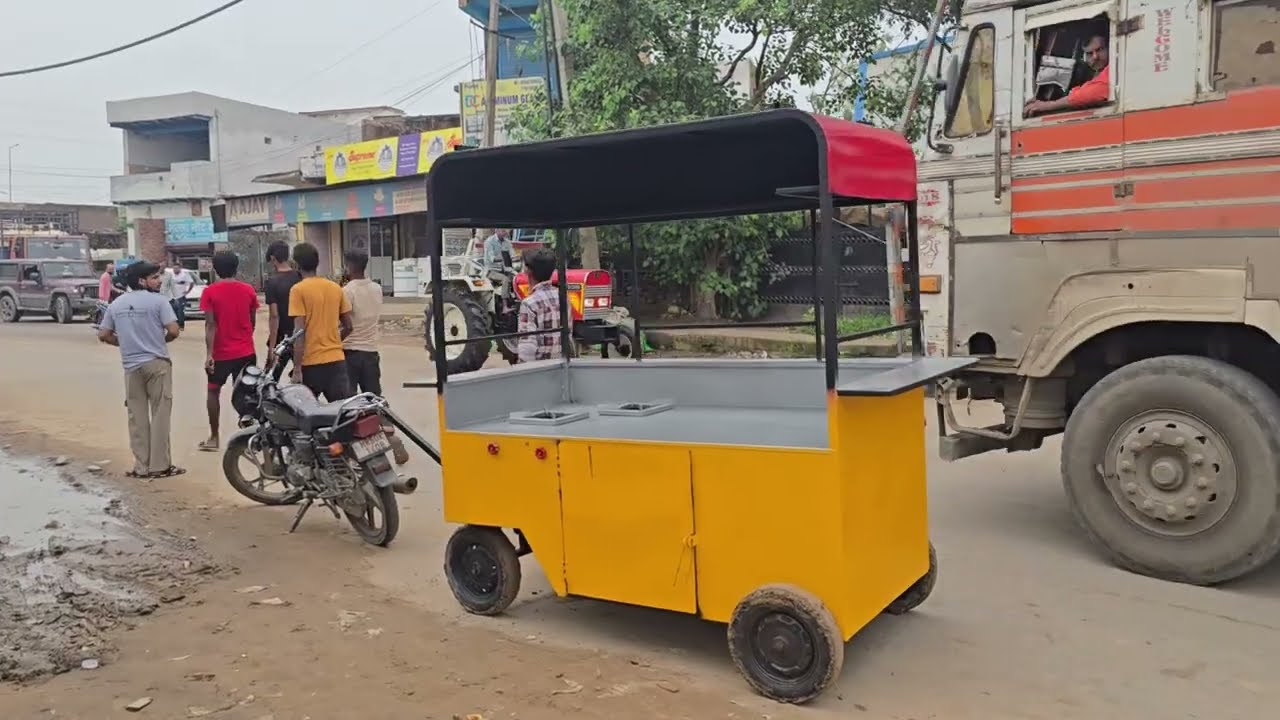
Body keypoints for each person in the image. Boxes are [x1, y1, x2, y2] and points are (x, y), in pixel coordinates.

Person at [97, 261, 184, 479]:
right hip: (157, 363)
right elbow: (173, 330)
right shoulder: (159, 302)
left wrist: (125, 343)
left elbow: (104, 334)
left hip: (131, 366)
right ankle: (160, 466)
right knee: (160, 414)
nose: (159, 280)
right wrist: (159, 341)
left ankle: (141, 466)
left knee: (136, 417)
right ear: (141, 281)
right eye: (154, 277)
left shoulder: (117, 304)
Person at [198, 251, 259, 451]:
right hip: (245, 351)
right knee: (247, 393)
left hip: (221, 353)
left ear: (215, 269)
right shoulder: (248, 290)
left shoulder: (210, 292)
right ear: (237, 267)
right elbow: (252, 320)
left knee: (213, 391)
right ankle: (252, 436)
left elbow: (210, 325)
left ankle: (214, 437)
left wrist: (209, 355)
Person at [288, 242, 353, 401]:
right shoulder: (335, 287)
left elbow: (299, 332)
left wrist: (297, 369)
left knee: (304, 416)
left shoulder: (298, 290)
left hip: (311, 364)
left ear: (296, 264)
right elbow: (349, 326)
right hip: (337, 361)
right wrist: (334, 342)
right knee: (342, 416)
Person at [1024, 33, 1110, 117]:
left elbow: (1092, 93)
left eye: (1100, 49)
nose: (1095, 57)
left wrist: (1047, 105)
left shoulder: (1113, 69)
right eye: (1089, 53)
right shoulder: (1087, 74)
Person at [516, 248, 571, 363]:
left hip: (540, 370)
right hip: (560, 366)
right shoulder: (563, 297)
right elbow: (568, 335)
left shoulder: (529, 303)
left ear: (527, 270)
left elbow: (527, 348)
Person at [341, 248, 383, 395]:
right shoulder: (377, 288)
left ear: (349, 266)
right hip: (371, 352)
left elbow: (345, 325)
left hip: (350, 352)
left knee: (349, 401)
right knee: (373, 399)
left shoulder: (347, 291)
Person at [263, 240, 302, 379]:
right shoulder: (300, 277)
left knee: (270, 380)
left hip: (282, 339)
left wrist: (272, 349)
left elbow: (274, 316)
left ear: (273, 258)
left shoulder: (271, 283)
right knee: (305, 380)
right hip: (300, 337)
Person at [483, 229, 515, 308]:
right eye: (503, 231)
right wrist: (504, 257)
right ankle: (505, 307)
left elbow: (512, 255)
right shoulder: (489, 242)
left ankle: (515, 301)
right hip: (492, 270)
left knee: (517, 278)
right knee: (505, 279)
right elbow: (492, 258)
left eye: (506, 231)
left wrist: (517, 257)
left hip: (505, 270)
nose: (505, 233)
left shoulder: (507, 242)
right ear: (496, 230)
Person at [168, 261, 196, 330]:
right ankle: (175, 325)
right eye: (174, 268)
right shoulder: (170, 274)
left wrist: (188, 291)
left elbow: (191, 283)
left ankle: (181, 325)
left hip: (181, 296)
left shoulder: (184, 275)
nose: (175, 270)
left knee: (180, 311)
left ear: (180, 268)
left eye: (177, 268)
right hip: (172, 296)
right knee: (173, 311)